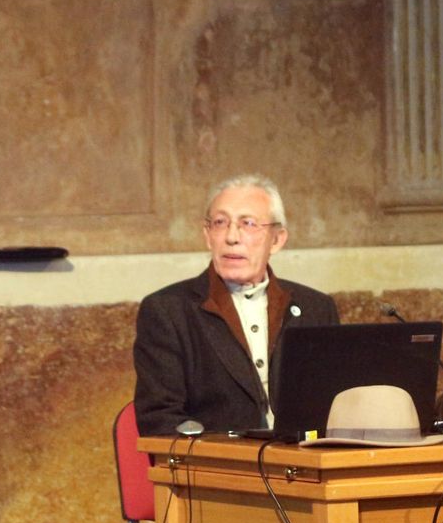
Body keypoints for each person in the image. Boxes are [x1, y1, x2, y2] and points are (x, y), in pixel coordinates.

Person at [134, 174, 339, 436]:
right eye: (220, 223)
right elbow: (159, 419)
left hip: (305, 467)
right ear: (208, 236)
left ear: (276, 240)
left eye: (248, 224)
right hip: (219, 469)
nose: (232, 237)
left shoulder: (315, 308)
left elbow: (334, 406)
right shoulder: (168, 310)